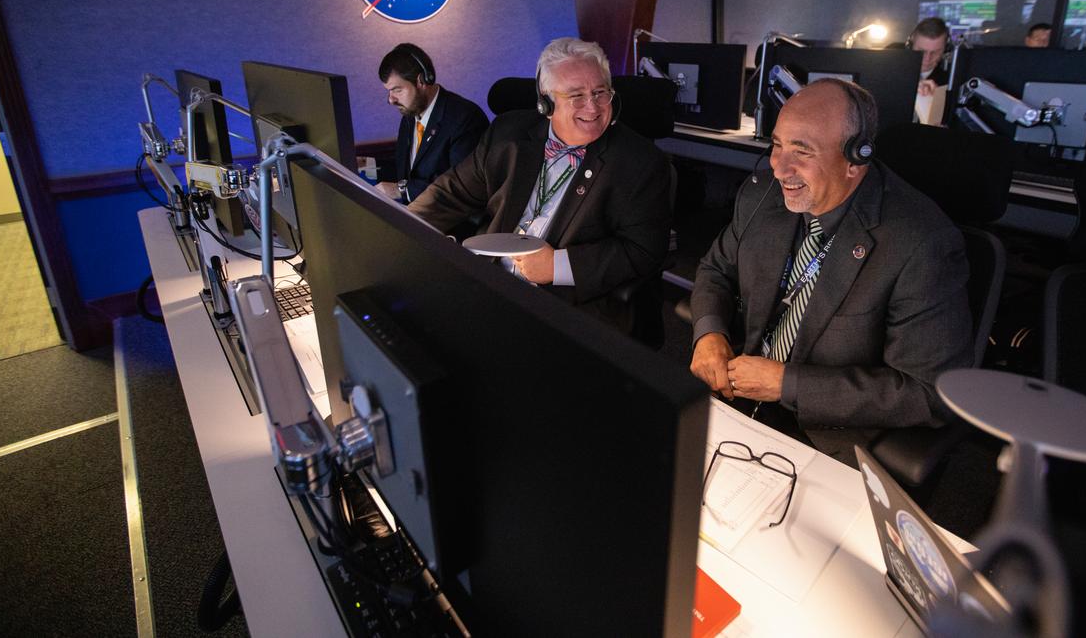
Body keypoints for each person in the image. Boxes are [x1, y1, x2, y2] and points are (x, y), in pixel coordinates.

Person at [689, 78, 972, 463]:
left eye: (802, 151)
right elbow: (715, 269)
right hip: (734, 395)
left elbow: (926, 392)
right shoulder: (761, 197)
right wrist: (709, 334)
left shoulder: (922, 244)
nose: (778, 168)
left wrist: (786, 384)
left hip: (826, 434)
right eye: (776, 145)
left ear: (856, 159)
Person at [409, 37, 671, 310]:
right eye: (576, 95)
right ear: (545, 104)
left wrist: (556, 266)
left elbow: (643, 250)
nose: (593, 107)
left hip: (564, 305)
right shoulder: (508, 134)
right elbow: (451, 193)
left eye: (600, 93)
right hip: (486, 280)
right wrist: (401, 226)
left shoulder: (640, 162)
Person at [379, 43, 488, 203]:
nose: (391, 100)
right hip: (414, 216)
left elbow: (462, 186)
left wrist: (402, 191)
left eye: (397, 90)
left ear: (421, 81)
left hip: (451, 224)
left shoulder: (464, 119)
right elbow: (410, 171)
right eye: (388, 91)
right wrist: (368, 164)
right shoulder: (410, 115)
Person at [911, 17, 951, 97]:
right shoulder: (888, 63)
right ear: (910, 45)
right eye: (922, 51)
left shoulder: (951, 80)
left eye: (935, 52)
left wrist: (939, 97)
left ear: (946, 49)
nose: (927, 58)